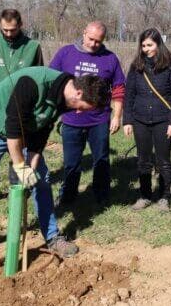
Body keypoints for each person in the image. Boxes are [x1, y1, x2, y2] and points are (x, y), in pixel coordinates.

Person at [0, 67, 110, 272]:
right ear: (78, 93)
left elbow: (41, 133)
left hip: (23, 132)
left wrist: (30, 168)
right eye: (82, 106)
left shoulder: (65, 98)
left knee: (41, 181)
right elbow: (13, 129)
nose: (79, 111)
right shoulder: (32, 84)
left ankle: (52, 237)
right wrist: (19, 166)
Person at [50, 21, 125, 206]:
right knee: (71, 162)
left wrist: (116, 116)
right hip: (71, 120)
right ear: (84, 33)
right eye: (91, 39)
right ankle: (68, 194)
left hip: (99, 120)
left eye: (98, 41)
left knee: (101, 159)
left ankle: (101, 194)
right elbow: (51, 80)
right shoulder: (65, 53)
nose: (93, 44)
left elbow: (118, 88)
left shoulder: (110, 59)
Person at [0, 9, 44, 203]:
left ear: (21, 25)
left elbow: (38, 75)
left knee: (18, 150)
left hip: (21, 109)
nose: (8, 33)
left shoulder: (33, 47)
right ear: (0, 25)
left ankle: (18, 187)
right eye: (5, 30)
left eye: (13, 30)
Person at [123, 28, 171, 212]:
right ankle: (145, 195)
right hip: (140, 119)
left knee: (163, 160)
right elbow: (129, 93)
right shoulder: (136, 66)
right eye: (143, 45)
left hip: (163, 119)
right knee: (143, 160)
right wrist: (127, 120)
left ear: (158, 44)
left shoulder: (170, 64)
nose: (146, 49)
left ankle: (164, 196)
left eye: (150, 45)